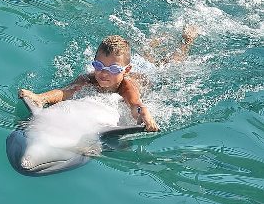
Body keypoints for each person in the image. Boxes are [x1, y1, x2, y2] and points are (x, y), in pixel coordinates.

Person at [18, 26, 199, 132]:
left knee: (167, 64)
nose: (104, 73)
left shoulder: (126, 86)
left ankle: (186, 42)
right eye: (98, 66)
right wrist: (40, 98)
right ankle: (154, 41)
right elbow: (66, 92)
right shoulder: (89, 78)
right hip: (131, 69)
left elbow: (135, 103)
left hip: (149, 76)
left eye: (112, 69)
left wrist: (145, 114)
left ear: (126, 70)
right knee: (147, 54)